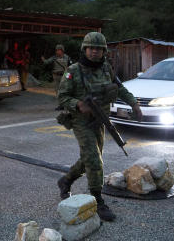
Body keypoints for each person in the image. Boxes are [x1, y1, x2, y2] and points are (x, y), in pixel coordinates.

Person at [56, 31, 143, 221]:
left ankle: (66, 180)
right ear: (85, 49)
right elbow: (62, 97)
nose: (95, 52)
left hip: (101, 119)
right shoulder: (73, 71)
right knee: (94, 160)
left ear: (103, 51)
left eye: (99, 49)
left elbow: (119, 88)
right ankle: (97, 199)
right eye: (91, 48)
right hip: (81, 121)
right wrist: (78, 105)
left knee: (89, 158)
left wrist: (134, 104)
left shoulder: (106, 69)